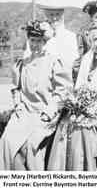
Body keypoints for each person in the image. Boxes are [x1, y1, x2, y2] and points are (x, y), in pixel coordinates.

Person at [47, 22, 97, 171]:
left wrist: (96, 106)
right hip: (81, 107)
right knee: (65, 125)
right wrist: (77, 103)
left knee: (83, 130)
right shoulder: (83, 61)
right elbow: (76, 87)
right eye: (95, 39)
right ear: (90, 41)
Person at [0, 21, 70, 170]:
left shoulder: (54, 62)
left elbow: (62, 92)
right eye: (32, 40)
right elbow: (16, 89)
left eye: (39, 41)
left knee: (31, 144)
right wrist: (18, 105)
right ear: (28, 40)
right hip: (23, 113)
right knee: (7, 141)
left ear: (45, 42)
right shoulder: (22, 64)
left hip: (44, 115)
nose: (35, 45)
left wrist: (48, 113)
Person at [41, 4, 79, 78]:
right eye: (51, 15)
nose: (54, 18)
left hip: (64, 79)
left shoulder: (71, 37)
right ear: (46, 16)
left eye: (57, 14)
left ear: (62, 16)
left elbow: (74, 61)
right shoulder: (40, 37)